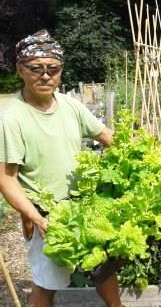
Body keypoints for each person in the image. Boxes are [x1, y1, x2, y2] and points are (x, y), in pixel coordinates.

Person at [0, 30, 121, 307]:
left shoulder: (70, 106)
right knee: (48, 283)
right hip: (47, 216)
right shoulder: (12, 118)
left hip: (83, 208)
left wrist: (138, 148)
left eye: (52, 69)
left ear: (61, 71)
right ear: (20, 70)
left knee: (103, 268)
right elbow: (7, 180)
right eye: (36, 69)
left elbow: (106, 136)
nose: (45, 76)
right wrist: (34, 216)